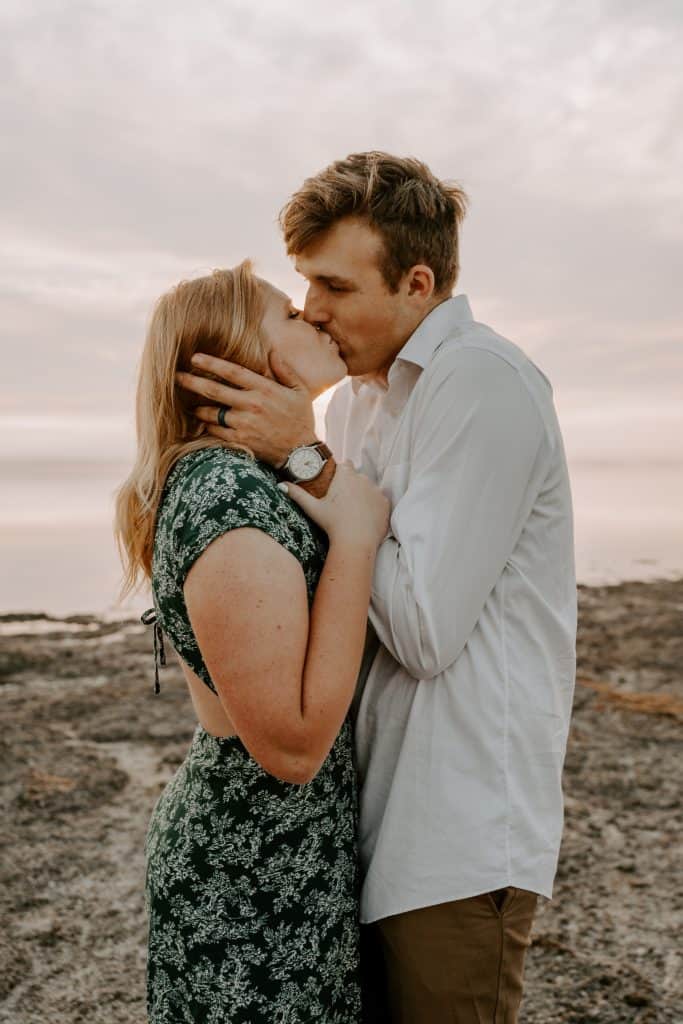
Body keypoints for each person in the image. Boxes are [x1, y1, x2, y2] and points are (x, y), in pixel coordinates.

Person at [178, 152, 578, 1023]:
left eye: (334, 285)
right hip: (360, 823)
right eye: (302, 285)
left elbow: (426, 631)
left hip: (456, 833)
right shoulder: (356, 400)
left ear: (417, 282)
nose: (313, 309)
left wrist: (307, 462)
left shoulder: (482, 383)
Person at [114, 260, 390, 1024]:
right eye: (290, 315)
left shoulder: (250, 476)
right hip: (248, 870)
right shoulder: (224, 495)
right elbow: (293, 747)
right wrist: (358, 540)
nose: (313, 314)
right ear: (243, 355)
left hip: (279, 855)